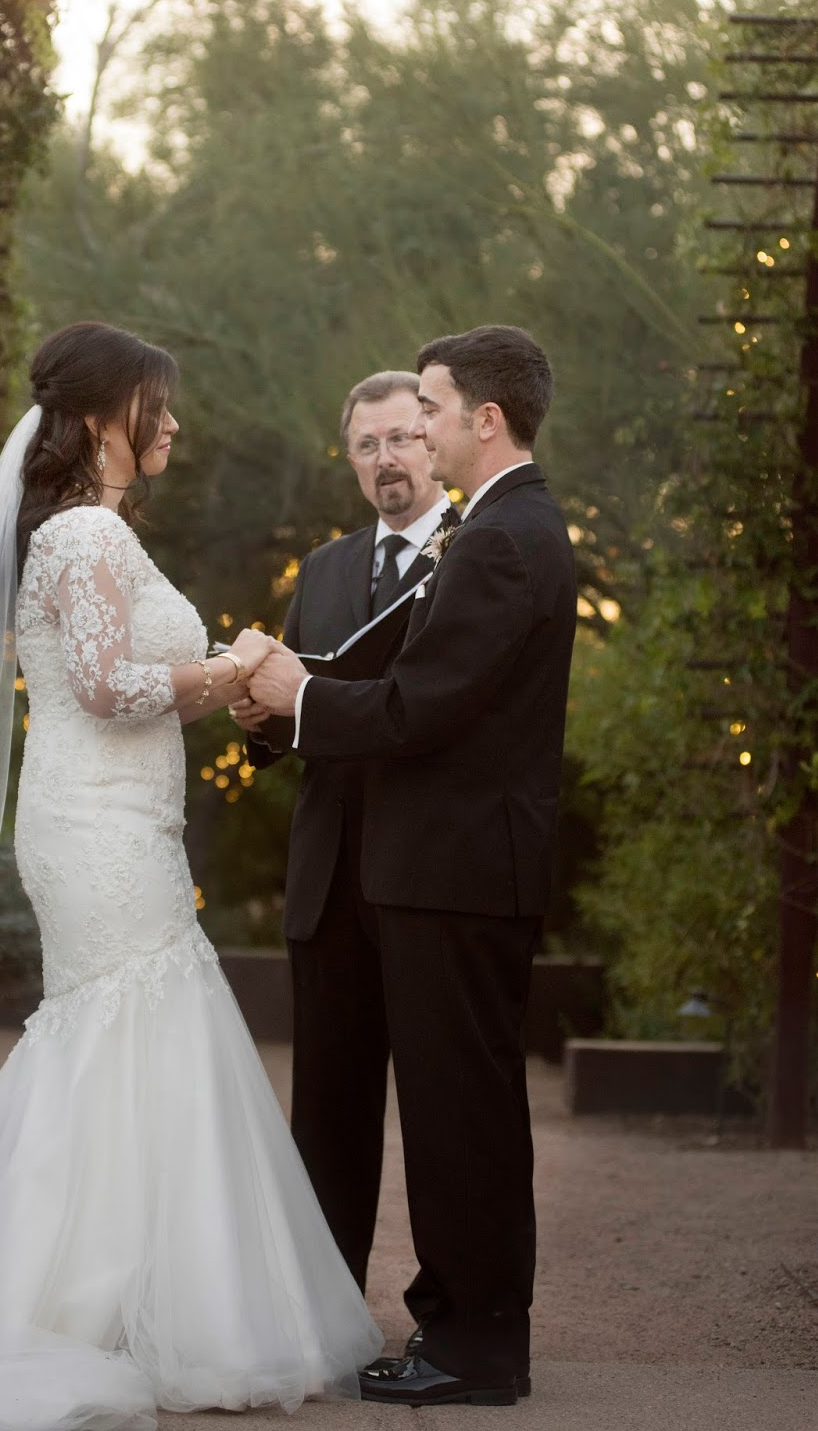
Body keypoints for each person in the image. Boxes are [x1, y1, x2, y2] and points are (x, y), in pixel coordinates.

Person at [0, 321, 382, 1431]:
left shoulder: (96, 534)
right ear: (102, 414)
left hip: (122, 821)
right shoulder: (83, 539)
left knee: (126, 1030)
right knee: (121, 1025)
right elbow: (115, 685)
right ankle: (83, 1306)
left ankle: (119, 1293)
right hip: (97, 828)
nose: (170, 422)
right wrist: (240, 664)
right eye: (153, 404)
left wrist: (226, 670)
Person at [250, 324, 577, 1409]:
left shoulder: (495, 539)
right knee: (454, 1114)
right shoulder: (504, 529)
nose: (418, 434)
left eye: (428, 409)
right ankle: (464, 1334)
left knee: (461, 1120)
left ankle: (475, 1346)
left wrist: (294, 695)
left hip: (456, 871)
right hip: (441, 871)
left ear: (483, 418)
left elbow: (419, 705)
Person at [233, 370, 452, 1294]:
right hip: (328, 879)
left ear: (433, 441)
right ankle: (320, 1311)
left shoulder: (473, 553)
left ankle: (450, 1312)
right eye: (367, 445)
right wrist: (258, 724)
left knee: (444, 1110)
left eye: (401, 438)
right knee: (326, 1111)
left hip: (431, 871)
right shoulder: (321, 569)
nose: (385, 459)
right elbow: (299, 713)